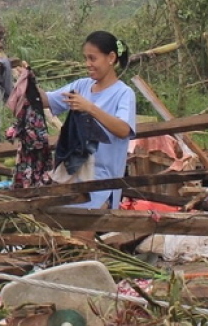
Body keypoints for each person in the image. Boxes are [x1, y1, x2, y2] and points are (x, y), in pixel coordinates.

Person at [42, 31, 137, 209]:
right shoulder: (81, 86)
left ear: (111, 58)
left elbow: (124, 129)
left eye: (93, 58)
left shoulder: (124, 93)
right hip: (74, 180)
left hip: (103, 185)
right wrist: (27, 81)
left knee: (81, 226)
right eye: (86, 58)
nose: (88, 64)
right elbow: (48, 100)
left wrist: (90, 108)